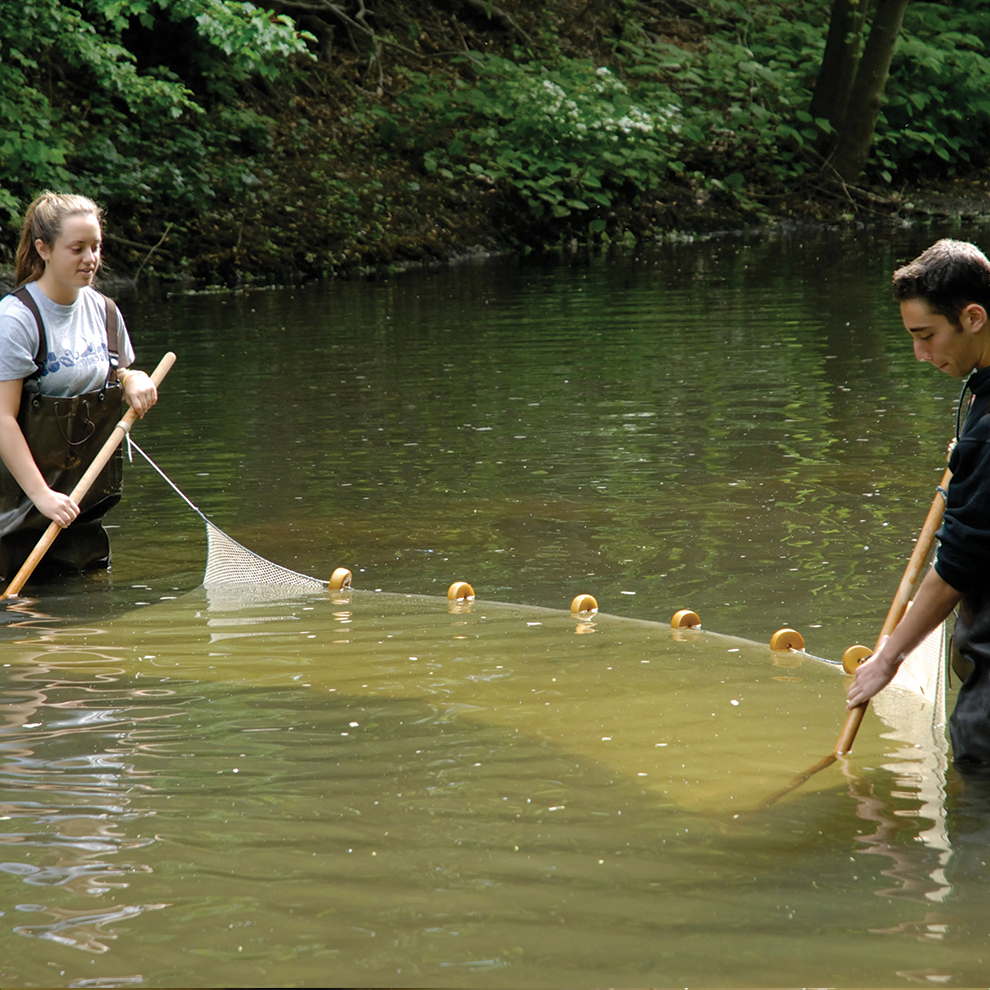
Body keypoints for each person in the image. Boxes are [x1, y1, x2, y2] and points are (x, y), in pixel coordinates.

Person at [847, 238, 990, 770]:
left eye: (927, 336)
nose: (922, 355)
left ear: (973, 316)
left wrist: (887, 659)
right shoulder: (981, 393)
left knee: (976, 785)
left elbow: (955, 566)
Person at [0, 191, 158, 583]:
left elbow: (116, 371)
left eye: (96, 247)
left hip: (81, 512)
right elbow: (2, 418)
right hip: (16, 515)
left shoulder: (104, 311)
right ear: (44, 249)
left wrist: (132, 379)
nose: (91, 259)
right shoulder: (16, 321)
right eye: (77, 248)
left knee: (87, 605)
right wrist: (42, 497)